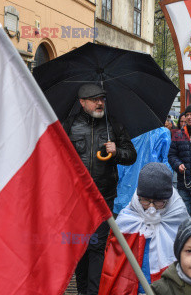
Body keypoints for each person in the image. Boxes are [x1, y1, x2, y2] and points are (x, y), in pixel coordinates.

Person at [63, 83, 137, 295]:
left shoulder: (113, 125)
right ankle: (82, 290)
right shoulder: (69, 125)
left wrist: (117, 151)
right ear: (82, 102)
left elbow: (131, 155)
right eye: (94, 99)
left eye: (102, 99)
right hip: (76, 199)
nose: (99, 103)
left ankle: (93, 293)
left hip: (104, 196)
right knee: (80, 248)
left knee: (96, 247)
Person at [99, 163, 189, 294]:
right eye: (146, 201)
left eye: (158, 202)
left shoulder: (178, 218)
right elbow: (112, 261)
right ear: (138, 197)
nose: (151, 208)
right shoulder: (126, 220)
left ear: (168, 200)